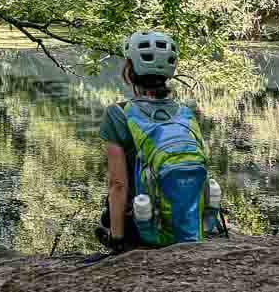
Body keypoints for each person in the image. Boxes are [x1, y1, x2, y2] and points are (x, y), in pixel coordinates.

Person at [95, 30, 222, 253]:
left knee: (107, 215)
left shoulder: (118, 114)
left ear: (130, 70)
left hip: (145, 226)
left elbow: (118, 184)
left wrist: (117, 240)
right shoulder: (185, 112)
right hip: (192, 225)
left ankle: (120, 236)